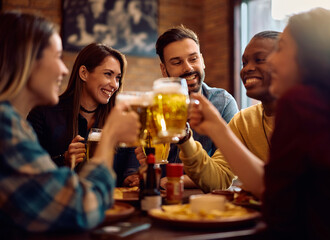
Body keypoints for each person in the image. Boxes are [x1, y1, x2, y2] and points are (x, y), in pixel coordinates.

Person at [188, 8, 330, 239]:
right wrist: (215, 129)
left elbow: (279, 206)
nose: (273, 60)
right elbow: (271, 185)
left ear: (310, 58)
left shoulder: (299, 103)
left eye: (281, 49)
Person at [0, 11, 140, 232]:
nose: (64, 69)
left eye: (118, 77)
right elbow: (80, 208)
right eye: (57, 56)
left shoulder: (12, 122)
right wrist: (108, 137)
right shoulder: (6, 128)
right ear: (26, 60)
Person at [133, 25, 239, 188]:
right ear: (164, 69)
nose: (188, 67)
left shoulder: (222, 103)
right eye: (177, 62)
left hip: (202, 202)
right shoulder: (152, 106)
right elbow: (141, 168)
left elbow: (226, 170)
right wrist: (144, 169)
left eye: (193, 58)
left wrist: (167, 181)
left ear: (202, 61)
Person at [176, 31, 279, 193]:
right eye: (244, 63)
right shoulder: (244, 121)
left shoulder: (315, 116)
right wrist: (185, 138)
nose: (248, 69)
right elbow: (218, 179)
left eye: (260, 60)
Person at [27, 42, 138, 187]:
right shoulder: (43, 113)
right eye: (108, 74)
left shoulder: (120, 118)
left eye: (118, 77)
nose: (114, 85)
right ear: (84, 73)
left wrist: (131, 176)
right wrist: (64, 160)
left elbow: (130, 166)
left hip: (115, 207)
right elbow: (29, 170)